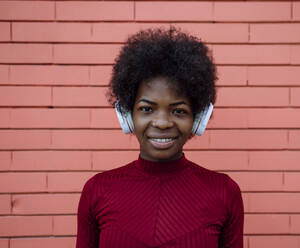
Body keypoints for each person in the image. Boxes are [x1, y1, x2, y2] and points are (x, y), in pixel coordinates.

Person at [76, 27, 244, 248]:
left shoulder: (224, 192)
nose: (162, 123)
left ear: (197, 118)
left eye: (179, 110)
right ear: (127, 115)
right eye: (147, 109)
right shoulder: (97, 191)